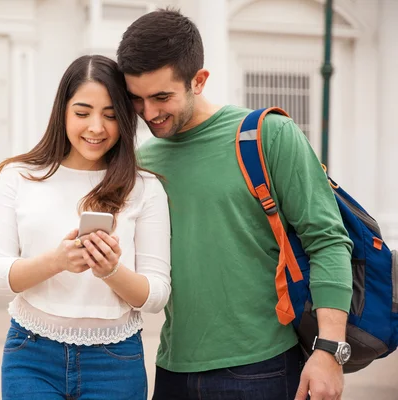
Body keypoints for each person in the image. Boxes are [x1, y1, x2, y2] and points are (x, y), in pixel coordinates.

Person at [117, 9, 353, 400]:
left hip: (261, 368)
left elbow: (327, 239)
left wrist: (329, 351)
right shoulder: (143, 161)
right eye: (137, 100)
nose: (150, 113)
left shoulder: (268, 135)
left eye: (162, 97)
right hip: (172, 368)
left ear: (199, 80)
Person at [0, 55, 171, 400]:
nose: (96, 127)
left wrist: (111, 270)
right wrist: (56, 261)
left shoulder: (145, 188)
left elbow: (156, 295)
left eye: (111, 115)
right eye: (82, 113)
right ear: (63, 112)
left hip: (115, 363)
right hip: (32, 356)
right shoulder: (19, 177)